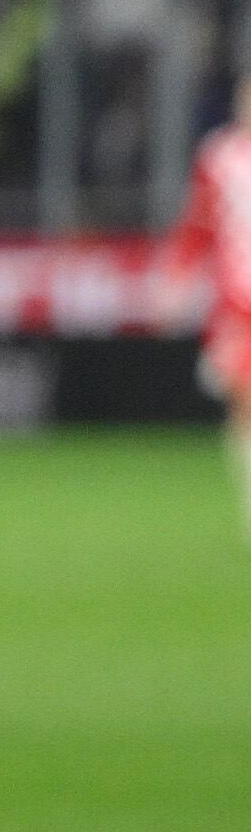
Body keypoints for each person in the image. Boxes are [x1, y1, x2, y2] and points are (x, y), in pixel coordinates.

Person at [182, 70, 251, 545]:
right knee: (243, 409)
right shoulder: (219, 157)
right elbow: (198, 225)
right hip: (237, 305)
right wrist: (177, 272)